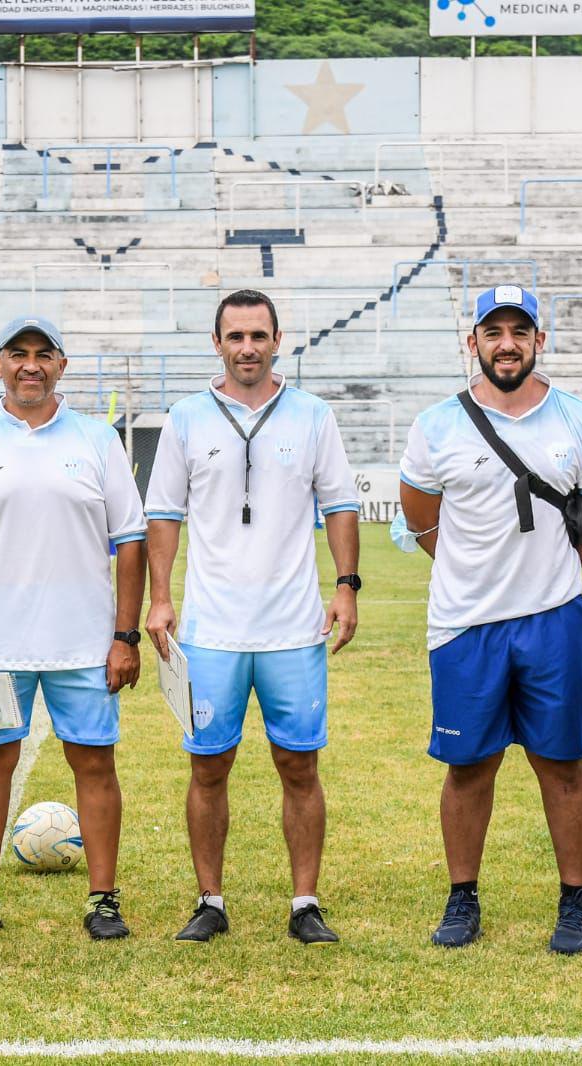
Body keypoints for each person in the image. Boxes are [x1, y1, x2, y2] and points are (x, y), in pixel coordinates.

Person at [398, 285, 582, 954]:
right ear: (474, 343)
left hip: (554, 620)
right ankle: (462, 898)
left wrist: (545, 577)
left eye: (518, 331)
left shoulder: (580, 420)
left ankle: (574, 903)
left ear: (538, 342)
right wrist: (474, 571)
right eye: (492, 332)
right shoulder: (437, 423)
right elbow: (419, 517)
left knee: (563, 763)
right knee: (469, 765)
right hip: (466, 625)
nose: (506, 343)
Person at [143, 289, 362, 945]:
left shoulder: (313, 416)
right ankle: (210, 900)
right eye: (234, 336)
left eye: (258, 336)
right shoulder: (185, 418)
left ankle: (305, 903)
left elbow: (341, 504)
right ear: (217, 343)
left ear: (277, 340)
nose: (247, 348)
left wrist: (346, 586)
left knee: (300, 766)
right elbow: (163, 516)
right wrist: (160, 597)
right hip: (212, 632)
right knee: (208, 767)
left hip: (294, 629)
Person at [0, 315, 147, 942]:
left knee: (94, 764)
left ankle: (103, 898)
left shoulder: (99, 440)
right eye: (17, 353)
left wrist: (124, 636)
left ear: (61, 366)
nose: (30, 365)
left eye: (43, 354)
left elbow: (130, 542)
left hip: (84, 643)